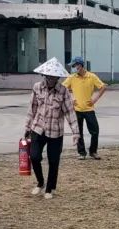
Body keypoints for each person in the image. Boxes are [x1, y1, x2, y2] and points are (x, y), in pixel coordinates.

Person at [24, 58, 79, 199]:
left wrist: (76, 132)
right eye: (48, 76)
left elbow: (69, 112)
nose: (50, 79)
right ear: (44, 75)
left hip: (55, 131)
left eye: (54, 77)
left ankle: (49, 188)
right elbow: (32, 108)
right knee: (34, 157)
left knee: (53, 161)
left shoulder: (63, 91)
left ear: (58, 78)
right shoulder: (37, 87)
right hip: (38, 128)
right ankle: (40, 182)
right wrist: (27, 127)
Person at [63, 56, 106, 161]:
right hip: (77, 109)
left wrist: (95, 99)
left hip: (89, 109)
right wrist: (70, 99)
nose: (74, 68)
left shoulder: (91, 77)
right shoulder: (72, 78)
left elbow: (102, 87)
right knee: (78, 132)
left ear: (81, 65)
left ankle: (93, 151)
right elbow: (62, 88)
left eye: (75, 66)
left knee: (95, 131)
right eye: (73, 66)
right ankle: (81, 152)